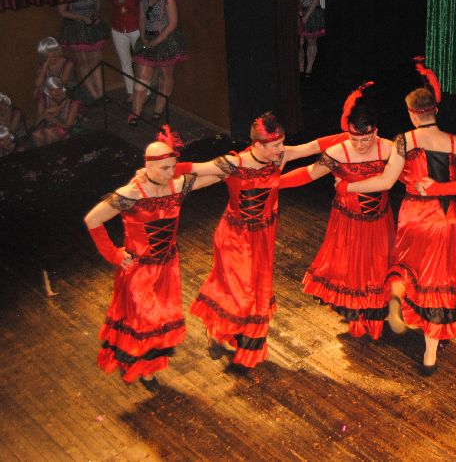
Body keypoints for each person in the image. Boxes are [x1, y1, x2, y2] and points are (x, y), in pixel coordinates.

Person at [344, 59, 456, 375]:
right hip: (442, 219)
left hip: (412, 213)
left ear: (412, 114)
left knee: (405, 267)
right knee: (437, 283)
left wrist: (350, 185)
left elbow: (385, 182)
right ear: (435, 110)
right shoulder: (455, 142)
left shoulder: (404, 140)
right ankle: (430, 356)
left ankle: (396, 300)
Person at [176, 114, 348, 372]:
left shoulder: (279, 157)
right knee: (239, 288)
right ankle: (218, 330)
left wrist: (350, 137)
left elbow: (312, 147)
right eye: (276, 145)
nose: (281, 149)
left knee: (253, 289)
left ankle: (227, 333)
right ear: (258, 144)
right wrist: (159, 174)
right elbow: (197, 170)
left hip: (263, 235)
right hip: (234, 236)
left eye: (282, 143)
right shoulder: (234, 163)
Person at [84, 127, 219, 391]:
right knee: (146, 321)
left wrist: (247, 161)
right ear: (148, 167)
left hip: (167, 268)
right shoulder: (130, 194)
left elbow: (217, 174)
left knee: (160, 322)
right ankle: (144, 371)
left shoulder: (176, 186)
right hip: (139, 270)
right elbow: (93, 219)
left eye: (173, 167)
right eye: (165, 168)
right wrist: (113, 253)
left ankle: (148, 368)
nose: (171, 173)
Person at [279, 83, 394, 339]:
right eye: (355, 138)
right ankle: (356, 311)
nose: (361, 144)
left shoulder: (389, 148)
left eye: (366, 138)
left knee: (376, 265)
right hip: (349, 221)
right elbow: (310, 173)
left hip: (379, 220)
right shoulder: (337, 152)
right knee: (351, 267)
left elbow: (403, 174)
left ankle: (374, 311)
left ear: (376, 131)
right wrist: (275, 184)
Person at [130, 0, 189, 124]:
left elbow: (172, 23)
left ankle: (159, 108)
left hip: (166, 40)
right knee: (141, 77)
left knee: (165, 75)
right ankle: (135, 112)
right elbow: (142, 19)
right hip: (147, 38)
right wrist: (143, 37)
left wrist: (156, 41)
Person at [57, 0, 110, 102]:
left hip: (92, 26)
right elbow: (62, 12)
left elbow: (97, 2)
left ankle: (101, 94)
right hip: (77, 28)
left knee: (97, 60)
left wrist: (96, 15)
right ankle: (95, 95)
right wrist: (82, 17)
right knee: (84, 62)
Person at [105, 0, 141, 101]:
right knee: (125, 62)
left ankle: (144, 92)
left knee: (141, 61)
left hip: (135, 27)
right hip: (118, 28)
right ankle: (131, 91)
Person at [295, 0, 325, 78]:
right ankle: (300, 69)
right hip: (299, 11)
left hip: (313, 12)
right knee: (300, 41)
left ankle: (309, 70)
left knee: (311, 40)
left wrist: (306, 17)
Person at [31, 76, 82, 147]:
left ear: (63, 89)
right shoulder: (43, 100)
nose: (58, 92)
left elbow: (68, 126)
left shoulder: (73, 103)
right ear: (48, 91)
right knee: (36, 134)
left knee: (49, 132)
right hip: (48, 127)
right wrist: (45, 111)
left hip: (68, 131)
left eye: (59, 89)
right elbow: (36, 124)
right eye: (53, 90)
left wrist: (53, 119)